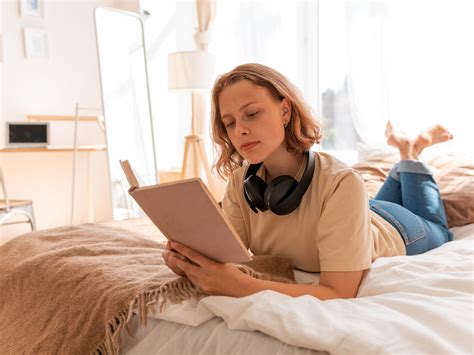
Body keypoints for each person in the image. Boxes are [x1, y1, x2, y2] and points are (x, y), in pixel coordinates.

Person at [162, 63, 453, 300]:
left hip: (394, 226)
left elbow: (338, 292)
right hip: (354, 212)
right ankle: (404, 160)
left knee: (441, 229)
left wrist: (239, 286)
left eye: (251, 114)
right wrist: (189, 259)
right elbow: (228, 257)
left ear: (285, 111)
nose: (241, 131)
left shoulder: (342, 183)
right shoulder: (242, 183)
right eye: (230, 122)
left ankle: (411, 152)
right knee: (366, 200)